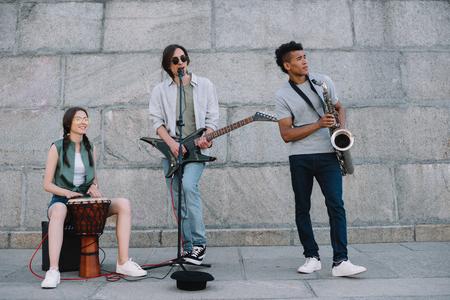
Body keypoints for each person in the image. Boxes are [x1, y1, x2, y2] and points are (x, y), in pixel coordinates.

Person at [274, 41, 366, 277]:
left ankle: (341, 261)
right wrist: (318, 124)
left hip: (328, 154)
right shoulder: (282, 95)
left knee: (336, 205)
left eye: (305, 56)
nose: (304, 61)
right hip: (300, 157)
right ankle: (311, 256)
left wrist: (340, 131)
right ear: (287, 65)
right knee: (302, 207)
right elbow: (286, 134)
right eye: (298, 58)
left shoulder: (322, 81)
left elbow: (338, 107)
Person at [41, 107, 147, 288]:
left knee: (123, 204)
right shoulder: (56, 147)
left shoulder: (91, 148)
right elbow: (47, 184)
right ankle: (53, 271)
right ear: (68, 123)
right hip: (62, 202)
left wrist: (93, 186)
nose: (83, 122)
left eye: (86, 119)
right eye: (78, 119)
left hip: (85, 202)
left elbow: (94, 178)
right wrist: (65, 192)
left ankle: (123, 262)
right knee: (59, 209)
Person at [149, 44, 219, 265]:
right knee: (178, 198)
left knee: (189, 187)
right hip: (172, 151)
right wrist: (171, 143)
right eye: (175, 60)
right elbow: (156, 121)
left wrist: (207, 135)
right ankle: (188, 249)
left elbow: (211, 119)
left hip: (196, 152)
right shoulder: (160, 90)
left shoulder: (205, 85)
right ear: (168, 66)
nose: (181, 63)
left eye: (183, 58)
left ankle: (199, 244)